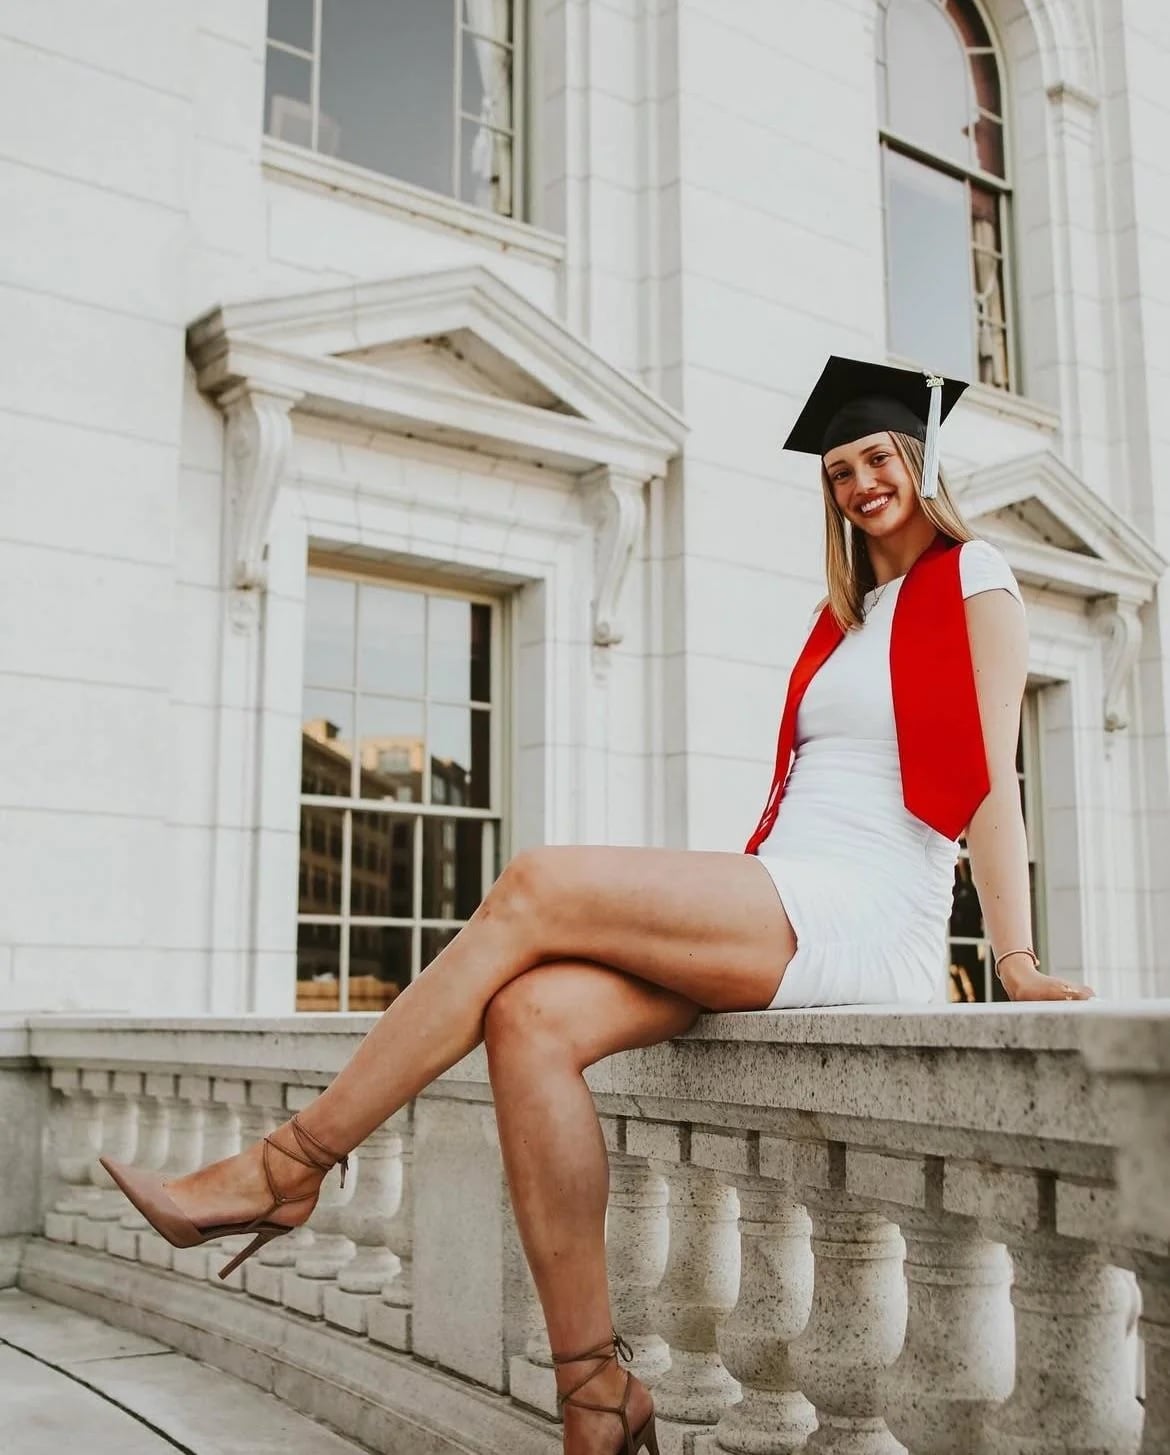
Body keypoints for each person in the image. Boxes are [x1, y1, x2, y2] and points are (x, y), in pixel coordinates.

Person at [100, 356, 1094, 1455]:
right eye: (840, 469)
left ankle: (286, 1166)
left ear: (920, 460)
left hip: (867, 906)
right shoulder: (841, 617)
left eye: (878, 459)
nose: (861, 483)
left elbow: (990, 780)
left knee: (537, 881)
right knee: (528, 1018)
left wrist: (1012, 958)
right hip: (785, 885)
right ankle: (597, 1392)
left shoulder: (974, 576)